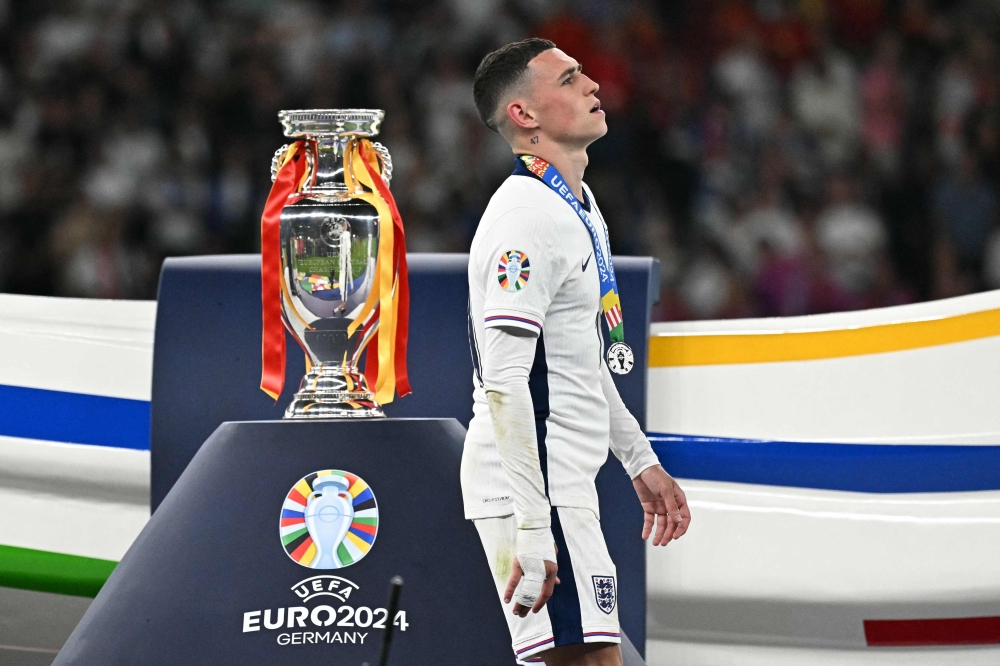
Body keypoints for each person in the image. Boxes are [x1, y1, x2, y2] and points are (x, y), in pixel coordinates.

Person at [464, 38, 692, 666]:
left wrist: (639, 461)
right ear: (525, 116)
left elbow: (579, 362)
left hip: (560, 483)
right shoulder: (527, 219)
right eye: (569, 79)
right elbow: (507, 381)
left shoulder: (578, 205)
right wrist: (534, 528)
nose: (592, 84)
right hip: (534, 488)